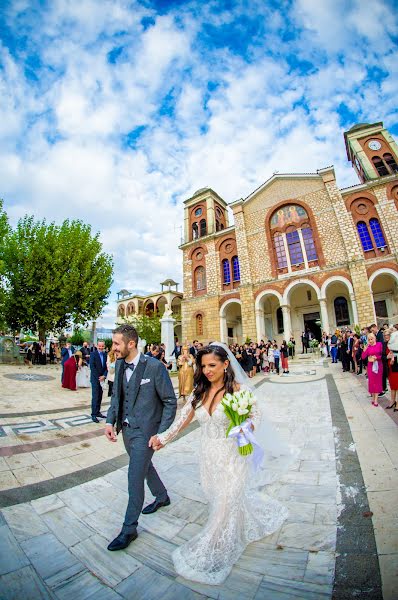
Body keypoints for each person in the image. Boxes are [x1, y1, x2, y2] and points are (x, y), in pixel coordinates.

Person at [148, 343, 288, 585]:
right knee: (218, 496)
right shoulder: (198, 392)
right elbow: (181, 421)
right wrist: (163, 439)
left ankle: (212, 543)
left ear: (226, 365)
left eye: (212, 365)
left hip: (234, 455)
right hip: (209, 455)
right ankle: (242, 519)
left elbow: (256, 414)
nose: (207, 370)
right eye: (203, 366)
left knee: (226, 499)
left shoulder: (239, 391)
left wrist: (246, 426)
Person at [104, 324, 177, 551]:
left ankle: (129, 529)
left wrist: (162, 434)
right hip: (126, 430)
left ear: (131, 343)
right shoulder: (118, 364)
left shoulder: (154, 367)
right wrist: (109, 421)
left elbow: (170, 402)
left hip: (145, 434)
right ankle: (162, 496)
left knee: (134, 477)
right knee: (145, 467)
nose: (113, 348)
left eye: (117, 343)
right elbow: (117, 396)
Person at [361, 333, 383, 406]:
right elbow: (363, 357)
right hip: (370, 366)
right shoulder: (368, 347)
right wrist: (364, 350)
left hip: (378, 365)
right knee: (372, 382)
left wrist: (377, 358)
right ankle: (373, 397)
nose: (370, 341)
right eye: (369, 339)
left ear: (375, 338)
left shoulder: (379, 344)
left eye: (372, 339)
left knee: (377, 382)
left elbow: (382, 355)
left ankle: (376, 399)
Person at [90, 340, 108, 422]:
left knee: (100, 396)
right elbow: (92, 367)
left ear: (104, 346)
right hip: (95, 379)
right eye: (99, 346)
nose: (101, 347)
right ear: (97, 346)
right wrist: (98, 377)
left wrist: (104, 375)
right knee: (95, 396)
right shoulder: (93, 354)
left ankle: (98, 412)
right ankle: (93, 414)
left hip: (102, 379)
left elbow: (107, 367)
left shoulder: (105, 355)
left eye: (102, 346)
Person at [386, 330, 398, 411]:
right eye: (385, 335)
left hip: (396, 366)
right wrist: (387, 357)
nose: (386, 336)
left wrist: (393, 358)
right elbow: (383, 356)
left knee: (397, 385)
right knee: (392, 386)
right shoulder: (384, 344)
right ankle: (392, 401)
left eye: (388, 335)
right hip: (389, 367)